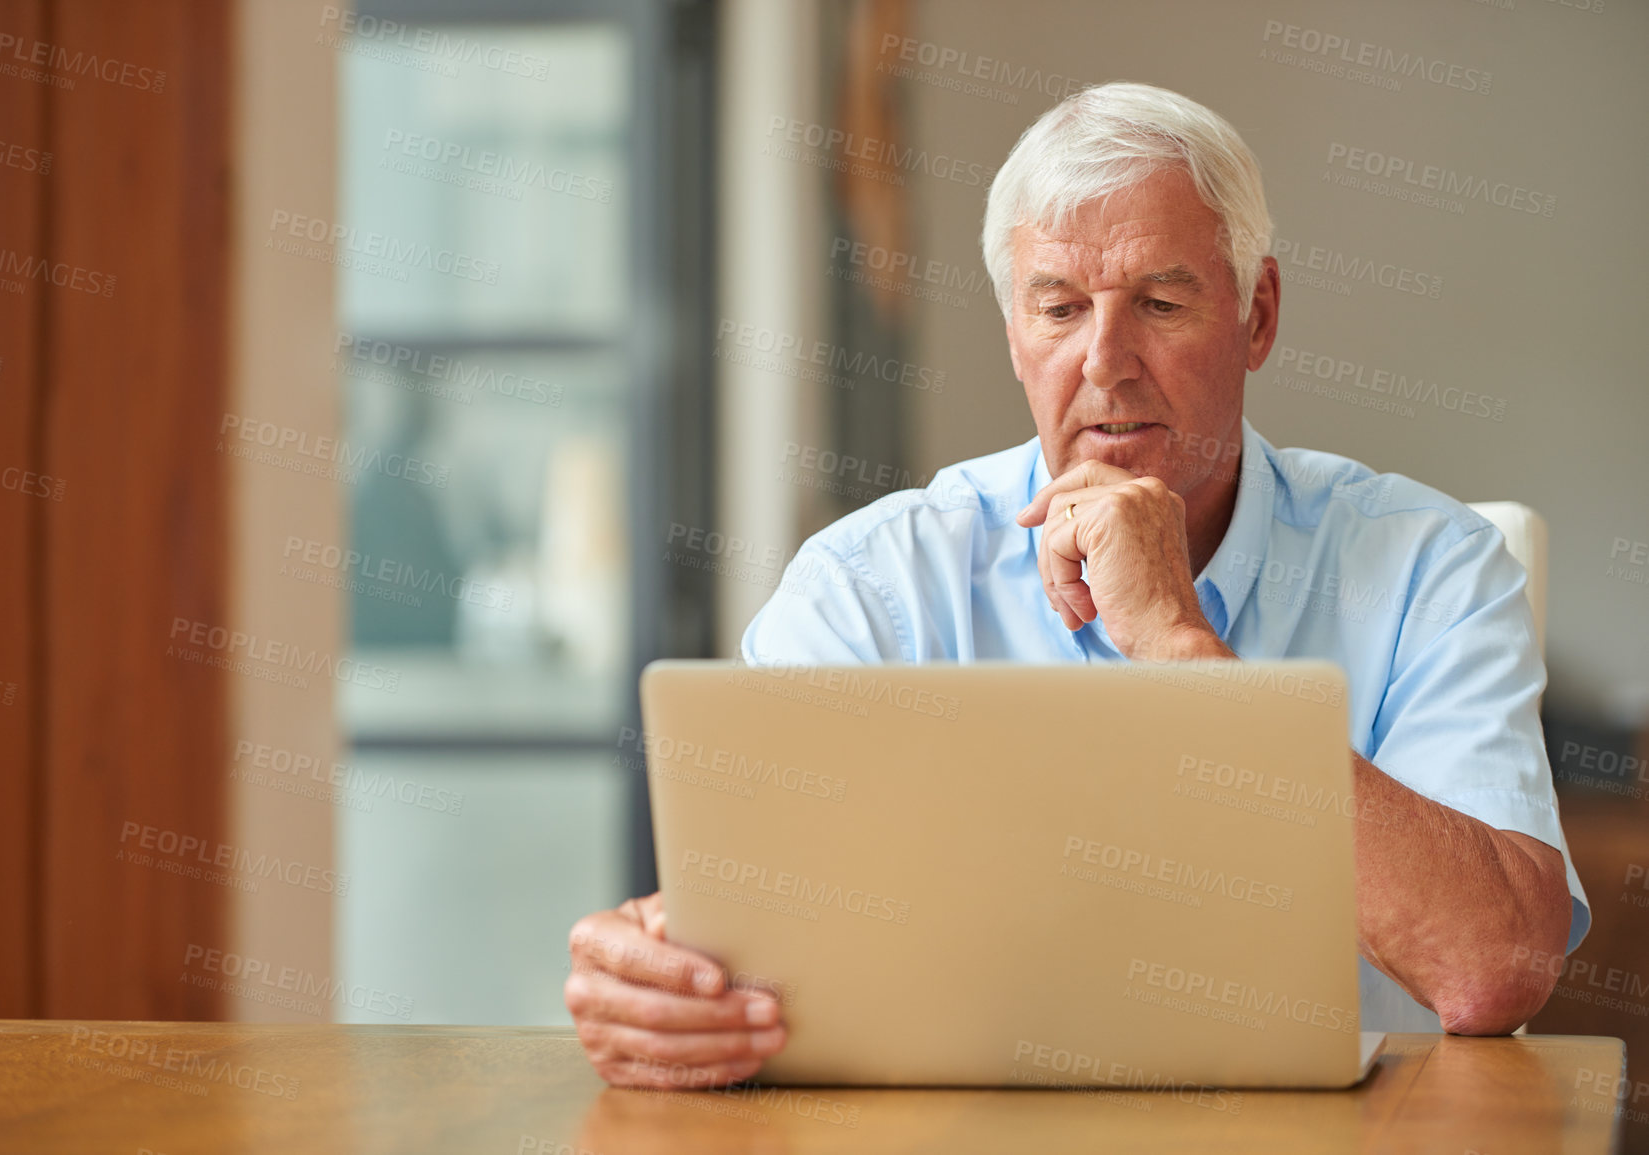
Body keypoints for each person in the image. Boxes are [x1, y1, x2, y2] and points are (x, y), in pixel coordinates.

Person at [564, 82, 1588, 1090]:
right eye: (1058, 309)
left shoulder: (1429, 566)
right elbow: (747, 951)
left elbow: (1493, 970)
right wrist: (663, 998)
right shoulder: (871, 585)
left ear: (1258, 315)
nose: (1106, 362)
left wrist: (1181, 646)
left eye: (1160, 302)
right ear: (1015, 335)